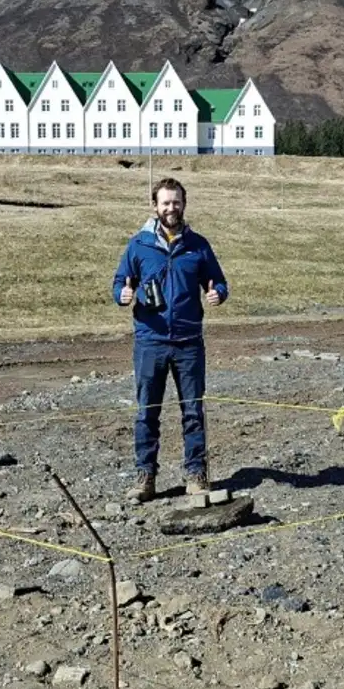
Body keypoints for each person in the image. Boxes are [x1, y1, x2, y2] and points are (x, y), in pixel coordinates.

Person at [112, 177, 229, 503]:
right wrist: (122, 295)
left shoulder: (198, 245)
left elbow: (219, 281)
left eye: (176, 202)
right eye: (165, 203)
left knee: (193, 412)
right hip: (150, 342)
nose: (171, 208)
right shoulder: (139, 245)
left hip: (189, 342)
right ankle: (145, 477)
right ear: (155, 206)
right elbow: (120, 282)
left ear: (184, 204)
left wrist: (217, 293)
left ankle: (196, 475)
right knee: (147, 412)